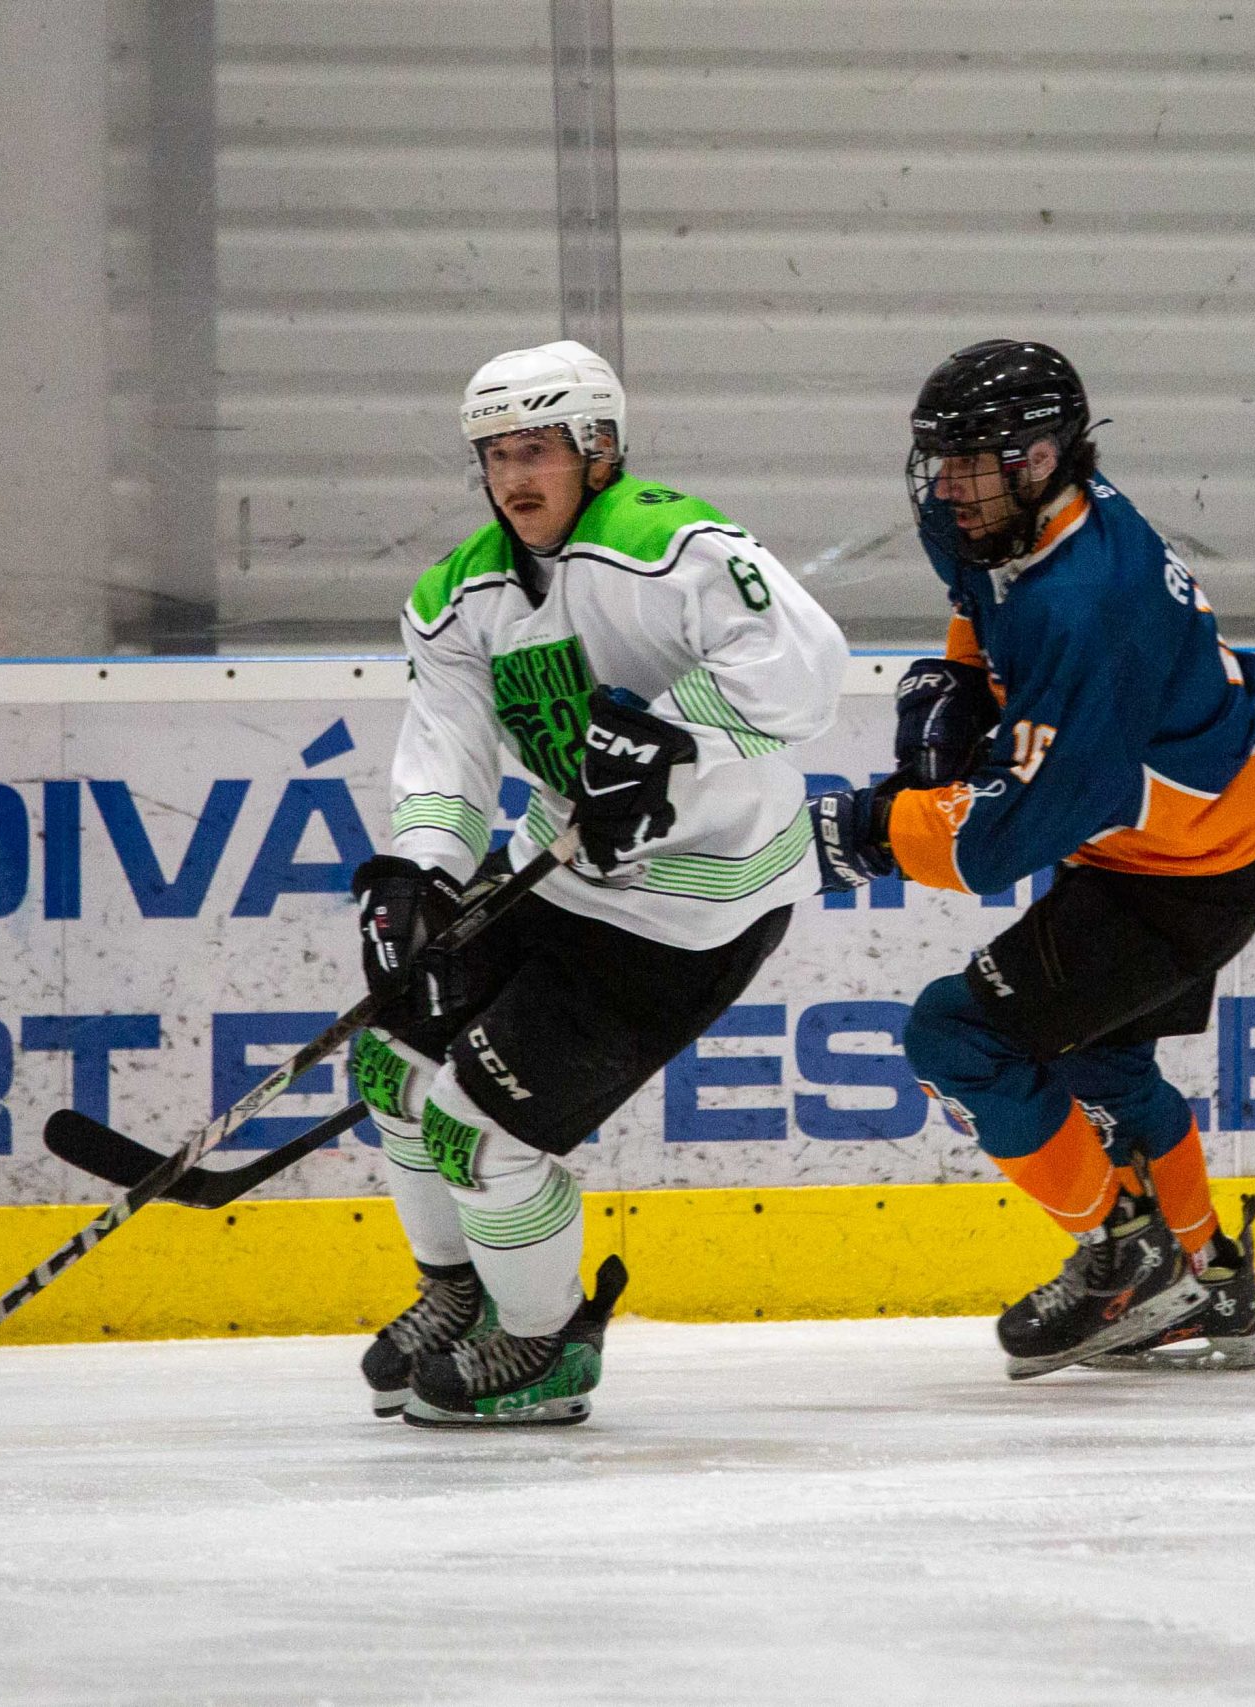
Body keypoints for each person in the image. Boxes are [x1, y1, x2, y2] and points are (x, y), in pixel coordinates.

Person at [349, 338, 848, 1427]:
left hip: (696, 905)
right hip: (557, 873)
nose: (513, 477)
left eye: (536, 450)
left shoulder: (673, 546)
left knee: (476, 1130)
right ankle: (462, 1292)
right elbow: (448, 756)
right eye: (495, 455)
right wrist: (418, 878)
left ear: (600, 449)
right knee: (389, 1060)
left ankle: (544, 1343)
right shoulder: (457, 596)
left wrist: (669, 731)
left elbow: (808, 674)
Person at [809, 340, 1255, 1379]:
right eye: (941, 458)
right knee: (1101, 1061)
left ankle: (1122, 1260)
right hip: (1207, 820)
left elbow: (1007, 833)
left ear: (1040, 458)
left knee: (957, 1035)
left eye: (971, 461)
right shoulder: (1007, 516)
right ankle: (1212, 1284)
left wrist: (871, 830)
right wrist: (961, 677)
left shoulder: (1089, 600)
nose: (947, 485)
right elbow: (983, 601)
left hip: (1189, 864)